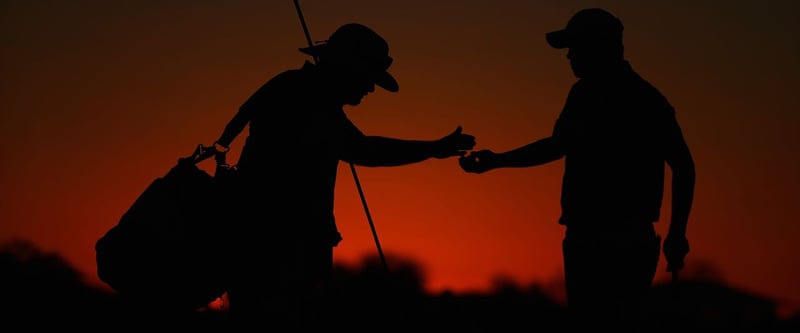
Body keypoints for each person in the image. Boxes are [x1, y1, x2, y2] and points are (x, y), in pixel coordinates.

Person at [210, 23, 476, 329]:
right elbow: (365, 150)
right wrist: (433, 149)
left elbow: (360, 148)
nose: (370, 88)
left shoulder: (297, 91)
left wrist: (432, 149)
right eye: (368, 78)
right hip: (279, 253)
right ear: (348, 68)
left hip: (268, 248)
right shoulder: (307, 100)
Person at [459, 8, 695, 332]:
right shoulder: (640, 98)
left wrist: (498, 161)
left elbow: (559, 146)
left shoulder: (600, 96)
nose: (569, 56)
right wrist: (676, 231)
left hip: (605, 241)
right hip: (618, 239)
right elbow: (683, 166)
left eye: (575, 47)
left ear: (599, 47)